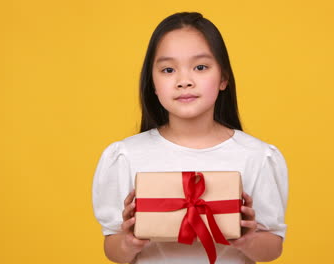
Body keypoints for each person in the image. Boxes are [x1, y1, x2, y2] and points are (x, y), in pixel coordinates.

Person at [92, 12, 288, 264]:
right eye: (168, 69)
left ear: (223, 78)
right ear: (153, 82)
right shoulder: (125, 156)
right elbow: (112, 247)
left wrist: (248, 239)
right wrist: (129, 241)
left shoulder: (257, 156)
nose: (184, 81)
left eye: (200, 67)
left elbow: (273, 248)